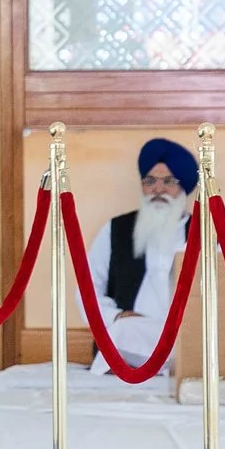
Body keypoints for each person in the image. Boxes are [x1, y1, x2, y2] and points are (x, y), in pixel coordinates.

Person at [83, 138, 197, 373]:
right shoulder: (117, 229)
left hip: (183, 335)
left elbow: (222, 293)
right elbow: (87, 287)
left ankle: (172, 365)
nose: (158, 189)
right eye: (150, 181)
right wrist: (115, 317)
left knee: (192, 343)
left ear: (183, 187)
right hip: (133, 331)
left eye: (168, 181)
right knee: (124, 332)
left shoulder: (204, 232)